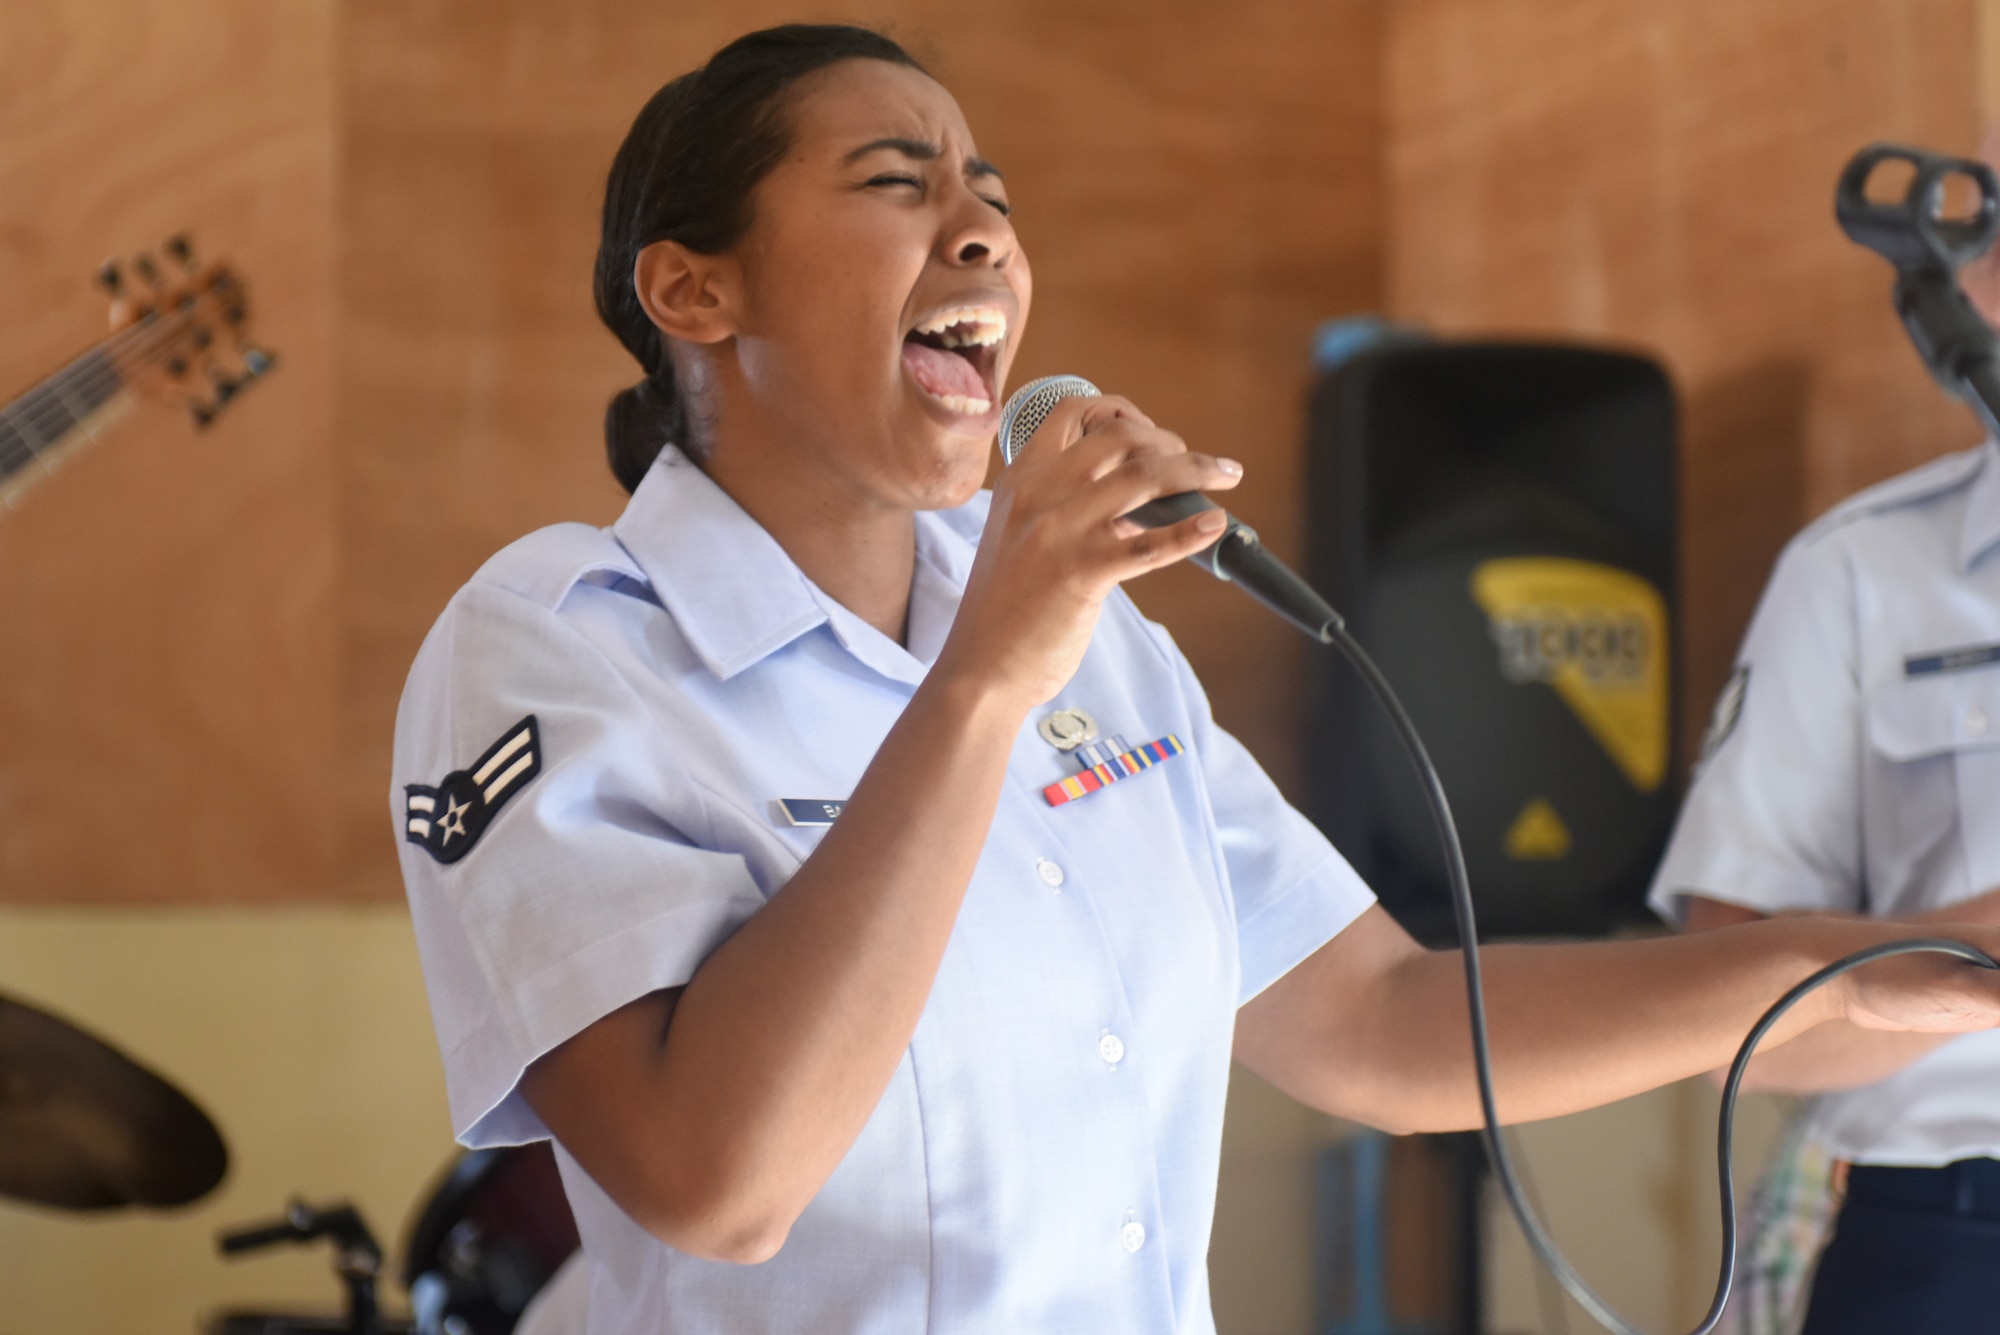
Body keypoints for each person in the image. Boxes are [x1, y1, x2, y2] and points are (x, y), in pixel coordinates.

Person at [391, 26, 2000, 1334]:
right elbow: (715, 1181)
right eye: (899, 181)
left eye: (995, 193)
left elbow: (1380, 1017)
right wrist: (979, 685)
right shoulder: (563, 643)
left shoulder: (1096, 638)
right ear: (693, 292)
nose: (985, 230)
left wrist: (1860, 965)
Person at [1654, 136, 2000, 1334]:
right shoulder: (1855, 574)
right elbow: (1727, 1037)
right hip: (1947, 1247)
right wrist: (1967, 955)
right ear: (1973, 275)